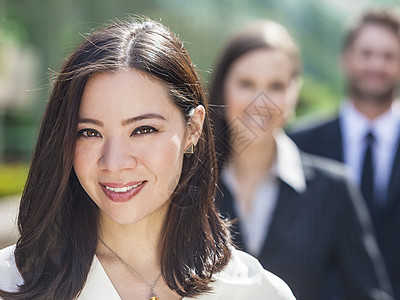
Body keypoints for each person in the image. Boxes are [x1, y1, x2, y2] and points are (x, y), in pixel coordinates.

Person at [0, 18, 296, 300]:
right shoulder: (10, 282)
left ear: (193, 129)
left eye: (143, 129)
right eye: (90, 132)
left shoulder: (256, 292)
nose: (114, 162)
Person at [209, 20, 393, 300]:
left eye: (276, 85)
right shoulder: (189, 183)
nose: (261, 101)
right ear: (222, 88)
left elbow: (369, 294)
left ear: (295, 93)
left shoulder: (334, 190)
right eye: (246, 83)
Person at [290, 8, 400, 300]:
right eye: (366, 53)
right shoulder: (300, 144)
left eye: (388, 56)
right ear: (345, 60)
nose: (376, 64)